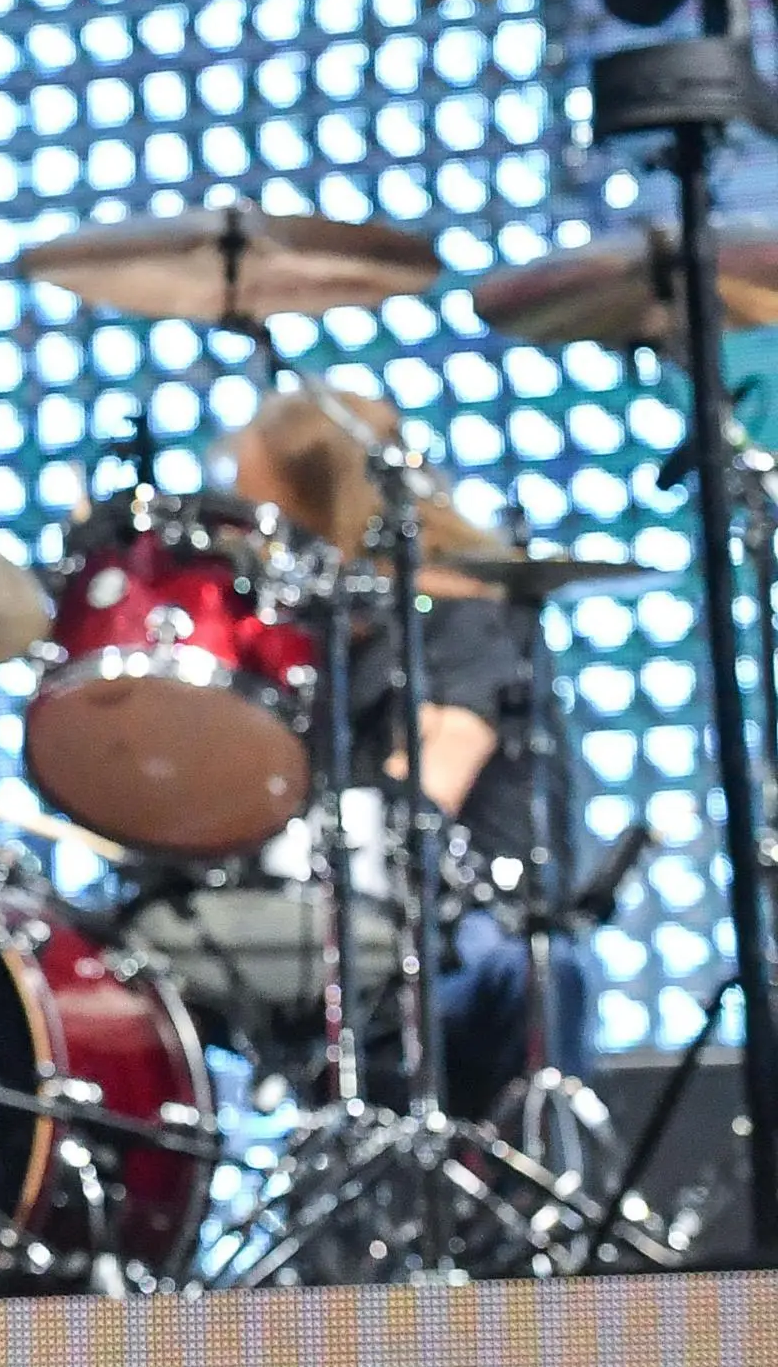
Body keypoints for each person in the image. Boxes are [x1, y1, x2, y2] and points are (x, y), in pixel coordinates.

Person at [233, 384, 597, 1118]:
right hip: (357, 922)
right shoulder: (315, 636)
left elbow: (431, 784)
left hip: (472, 924)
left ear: (313, 504)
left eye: (260, 506)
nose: (252, 532)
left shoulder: (461, 607)